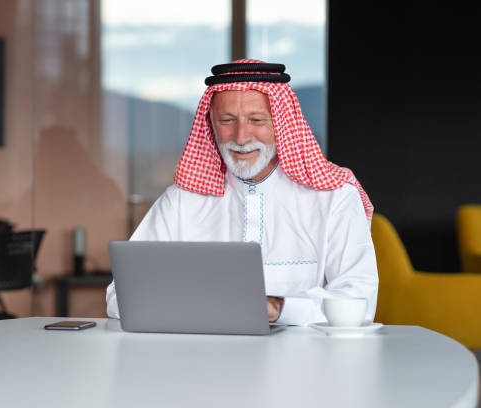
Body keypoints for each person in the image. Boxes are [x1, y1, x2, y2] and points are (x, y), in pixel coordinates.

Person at [106, 59, 378, 325]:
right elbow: (120, 297)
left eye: (256, 120)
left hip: (306, 363)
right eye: (227, 120)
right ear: (211, 124)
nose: (241, 137)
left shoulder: (334, 196)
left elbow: (359, 302)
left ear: (281, 124)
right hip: (201, 360)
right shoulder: (182, 199)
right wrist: (204, 306)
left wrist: (279, 308)